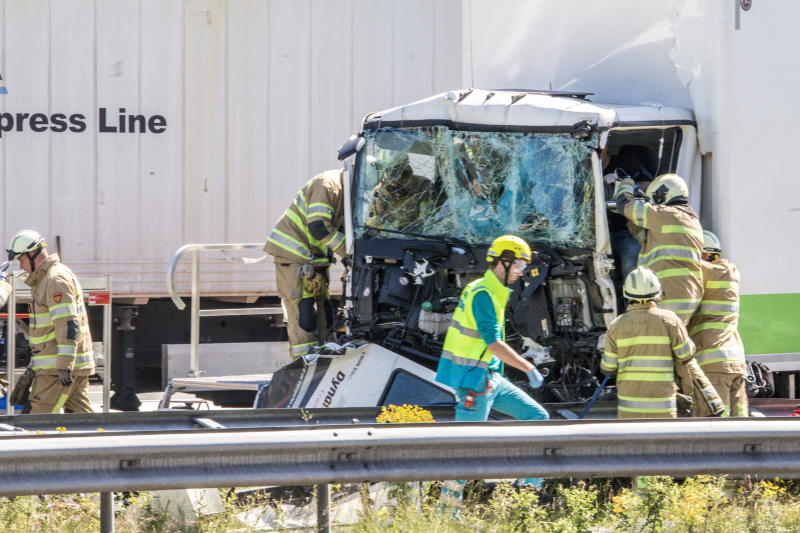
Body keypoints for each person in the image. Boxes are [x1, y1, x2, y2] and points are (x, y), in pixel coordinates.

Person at [436, 235, 549, 516]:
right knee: (466, 450)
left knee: (538, 418)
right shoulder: (483, 293)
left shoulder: (493, 290)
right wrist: (528, 367)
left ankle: (526, 493)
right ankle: (445, 516)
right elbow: (494, 344)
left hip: (492, 380)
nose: (523, 270)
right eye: (519, 263)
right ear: (503, 261)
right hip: (475, 382)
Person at [601, 266, 724, 418]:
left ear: (626, 293)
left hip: (628, 410)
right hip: (663, 409)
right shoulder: (669, 320)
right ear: (657, 292)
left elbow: (608, 368)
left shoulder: (616, 325)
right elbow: (685, 356)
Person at [6, 230, 95, 414]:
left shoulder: (54, 280)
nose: (21, 267)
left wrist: (64, 366)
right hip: (63, 368)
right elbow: (49, 333)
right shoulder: (48, 279)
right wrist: (33, 369)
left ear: (32, 255)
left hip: (57, 372)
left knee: (38, 422)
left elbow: (68, 325)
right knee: (84, 422)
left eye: (21, 260)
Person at [264, 169, 349, 359]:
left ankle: (327, 359)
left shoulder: (344, 189)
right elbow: (318, 225)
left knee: (325, 311)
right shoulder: (328, 184)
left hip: (314, 258)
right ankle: (304, 364)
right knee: (304, 312)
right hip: (294, 255)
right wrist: (349, 253)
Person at [615, 173, 704, 324]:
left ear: (662, 194)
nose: (653, 204)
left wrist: (626, 183)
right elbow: (647, 240)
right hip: (684, 294)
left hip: (669, 294)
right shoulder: (688, 219)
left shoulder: (667, 215)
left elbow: (625, 205)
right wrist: (630, 221)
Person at [687, 230, 748, 417]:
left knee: (715, 422)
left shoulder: (709, 273)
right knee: (740, 421)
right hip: (736, 360)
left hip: (713, 363)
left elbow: (682, 267)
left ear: (704, 255)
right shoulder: (730, 272)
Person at [366, 154, 435, 231]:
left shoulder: (422, 185)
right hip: (381, 242)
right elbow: (371, 223)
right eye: (386, 172)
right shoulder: (379, 191)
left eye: (394, 172)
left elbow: (428, 223)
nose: (390, 177)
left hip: (411, 241)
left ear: (404, 169)